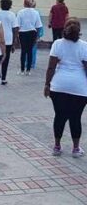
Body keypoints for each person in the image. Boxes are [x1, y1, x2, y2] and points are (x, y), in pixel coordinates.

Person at [44, 18, 87, 158]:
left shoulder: (57, 44)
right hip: (79, 88)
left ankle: (57, 147)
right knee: (75, 118)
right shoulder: (84, 46)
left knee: (60, 116)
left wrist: (47, 84)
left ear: (64, 28)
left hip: (58, 86)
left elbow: (51, 67)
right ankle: (75, 149)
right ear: (79, 30)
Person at [0, 0, 18, 85]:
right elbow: (15, 28)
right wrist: (14, 42)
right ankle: (3, 78)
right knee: (6, 59)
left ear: (1, 5)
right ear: (10, 6)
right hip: (8, 40)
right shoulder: (12, 15)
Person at [16, 0, 42, 75]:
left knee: (23, 51)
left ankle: (22, 69)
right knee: (30, 51)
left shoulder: (20, 12)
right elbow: (38, 26)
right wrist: (37, 36)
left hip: (23, 32)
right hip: (32, 32)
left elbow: (17, 25)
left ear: (24, 3)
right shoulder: (36, 12)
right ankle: (28, 70)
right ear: (31, 4)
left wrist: (17, 35)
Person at [30, 0, 44, 69]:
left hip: (26, 33)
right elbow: (40, 25)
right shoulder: (37, 13)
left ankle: (27, 63)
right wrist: (40, 34)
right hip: (34, 32)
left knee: (26, 48)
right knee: (33, 49)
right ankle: (32, 63)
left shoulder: (22, 12)